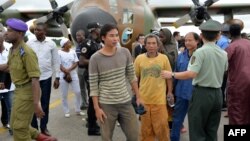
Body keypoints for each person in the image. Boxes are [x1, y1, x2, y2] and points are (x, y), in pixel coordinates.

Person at [161, 19, 228, 141]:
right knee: (211, 129)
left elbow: (192, 73)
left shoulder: (199, 53)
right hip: (217, 94)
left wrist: (171, 74)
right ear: (218, 35)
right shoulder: (223, 53)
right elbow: (224, 71)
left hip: (201, 93)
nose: (186, 42)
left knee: (197, 130)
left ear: (201, 36)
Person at [0, 18, 57, 141]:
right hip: (18, 92)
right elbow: (9, 66)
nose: (5, 33)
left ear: (20, 34)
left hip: (27, 93)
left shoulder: (26, 52)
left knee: (19, 128)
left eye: (9, 31)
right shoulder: (13, 49)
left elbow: (35, 79)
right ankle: (43, 138)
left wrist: (36, 104)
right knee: (15, 123)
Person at [89, 24, 143, 141]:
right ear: (103, 38)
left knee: (134, 136)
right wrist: (97, 108)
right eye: (111, 36)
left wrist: (138, 97)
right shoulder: (95, 59)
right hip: (107, 104)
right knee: (107, 138)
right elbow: (93, 85)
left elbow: (131, 76)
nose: (115, 39)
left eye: (117, 35)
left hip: (125, 102)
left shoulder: (125, 52)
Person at [134, 33, 172, 141]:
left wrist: (170, 92)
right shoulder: (139, 59)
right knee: (146, 131)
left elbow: (169, 77)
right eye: (149, 43)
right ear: (145, 45)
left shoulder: (164, 58)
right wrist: (137, 96)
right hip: (144, 100)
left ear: (158, 45)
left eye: (154, 43)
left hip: (159, 100)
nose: (151, 46)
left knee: (162, 129)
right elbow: (135, 79)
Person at [26, 22, 60, 136]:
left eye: (39, 30)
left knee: (45, 103)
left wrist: (57, 77)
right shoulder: (29, 43)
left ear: (45, 31)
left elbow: (56, 61)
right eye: (35, 30)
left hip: (46, 77)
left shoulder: (51, 44)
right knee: (32, 103)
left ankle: (44, 127)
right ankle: (34, 128)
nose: (36, 32)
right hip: (32, 78)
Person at [170, 32, 200, 141]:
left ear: (197, 41)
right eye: (186, 40)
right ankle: (174, 139)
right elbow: (176, 73)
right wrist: (172, 91)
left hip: (196, 94)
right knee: (177, 119)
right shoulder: (181, 56)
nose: (187, 42)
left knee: (195, 122)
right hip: (181, 93)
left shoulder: (201, 55)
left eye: (190, 40)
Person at [79, 22, 102, 136]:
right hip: (91, 75)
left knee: (96, 101)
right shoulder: (87, 43)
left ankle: (92, 121)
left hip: (97, 75)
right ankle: (92, 127)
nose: (100, 29)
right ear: (94, 30)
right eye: (98, 28)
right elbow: (82, 61)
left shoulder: (96, 42)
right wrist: (97, 61)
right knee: (93, 101)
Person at [225, 23, 250, 125]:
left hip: (238, 84)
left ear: (230, 34)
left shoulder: (231, 47)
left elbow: (223, 66)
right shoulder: (248, 43)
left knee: (237, 112)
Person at [58, 38, 84, 118]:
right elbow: (59, 64)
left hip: (73, 74)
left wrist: (69, 70)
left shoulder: (73, 51)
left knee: (78, 92)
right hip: (63, 75)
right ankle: (66, 111)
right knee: (64, 94)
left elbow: (76, 62)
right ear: (64, 44)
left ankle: (78, 109)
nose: (70, 43)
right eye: (68, 42)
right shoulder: (59, 53)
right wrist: (66, 72)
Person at [0, 32, 13, 134]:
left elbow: (11, 67)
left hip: (9, 85)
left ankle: (11, 127)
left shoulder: (9, 50)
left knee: (10, 107)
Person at [75, 29, 88, 110]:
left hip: (86, 69)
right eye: (76, 35)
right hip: (79, 69)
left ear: (84, 36)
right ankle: (84, 103)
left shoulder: (87, 45)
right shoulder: (77, 46)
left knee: (89, 87)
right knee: (82, 87)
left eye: (79, 35)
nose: (77, 37)